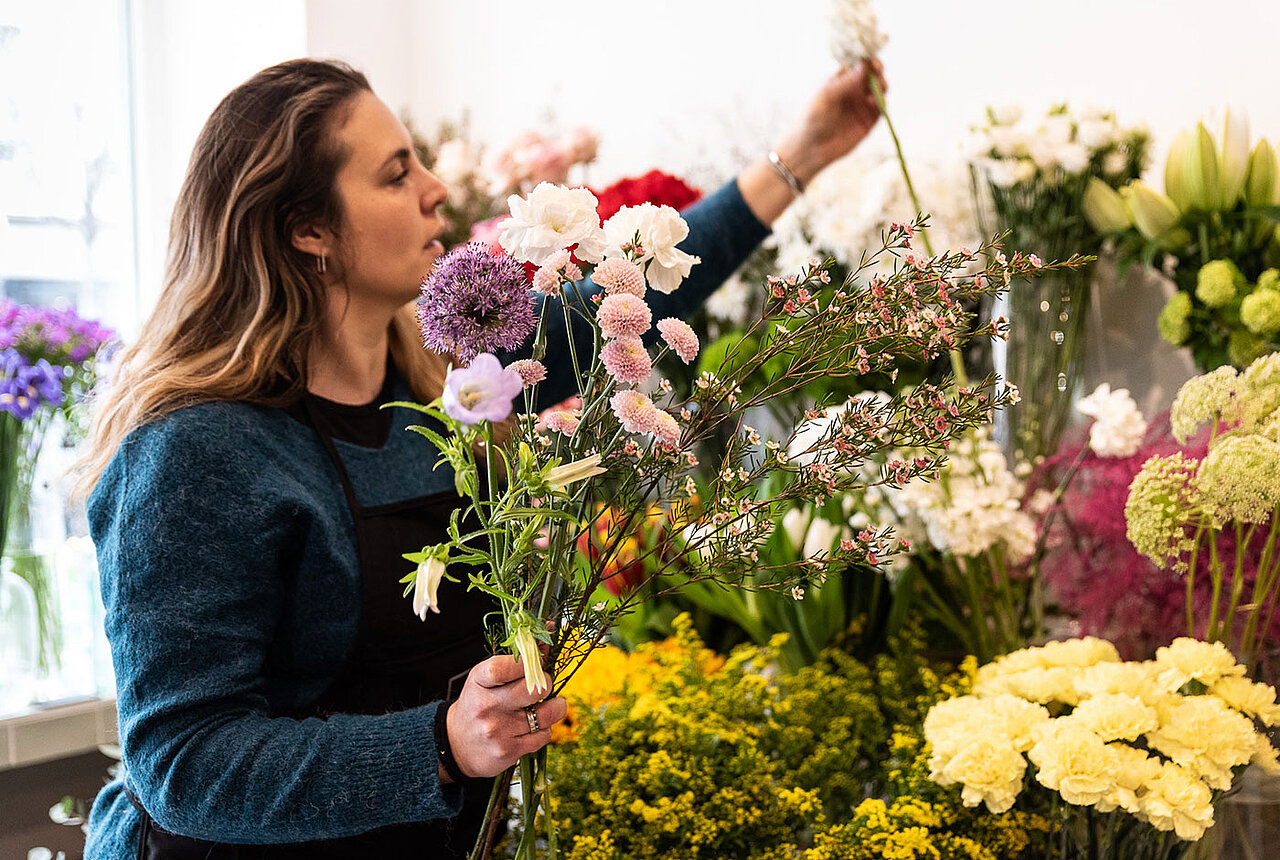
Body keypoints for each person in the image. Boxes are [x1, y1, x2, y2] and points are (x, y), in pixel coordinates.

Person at [78, 56, 886, 858]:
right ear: (308, 229)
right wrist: (438, 745)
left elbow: (635, 294)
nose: (435, 190)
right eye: (396, 176)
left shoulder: (453, 379)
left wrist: (806, 150)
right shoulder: (196, 453)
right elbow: (182, 763)